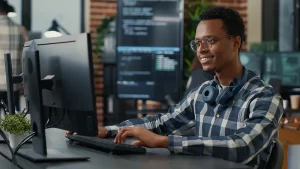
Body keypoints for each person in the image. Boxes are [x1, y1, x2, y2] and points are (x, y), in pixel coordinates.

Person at [69, 7, 283, 169]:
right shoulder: (204, 92)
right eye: (198, 43)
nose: (201, 49)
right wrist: (108, 131)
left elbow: (242, 146)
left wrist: (164, 142)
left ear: (236, 43)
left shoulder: (265, 98)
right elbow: (162, 122)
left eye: (210, 40)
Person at [0, 0, 28, 113]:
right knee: (14, 121)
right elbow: (25, 55)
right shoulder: (20, 29)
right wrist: (23, 81)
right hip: (13, 82)